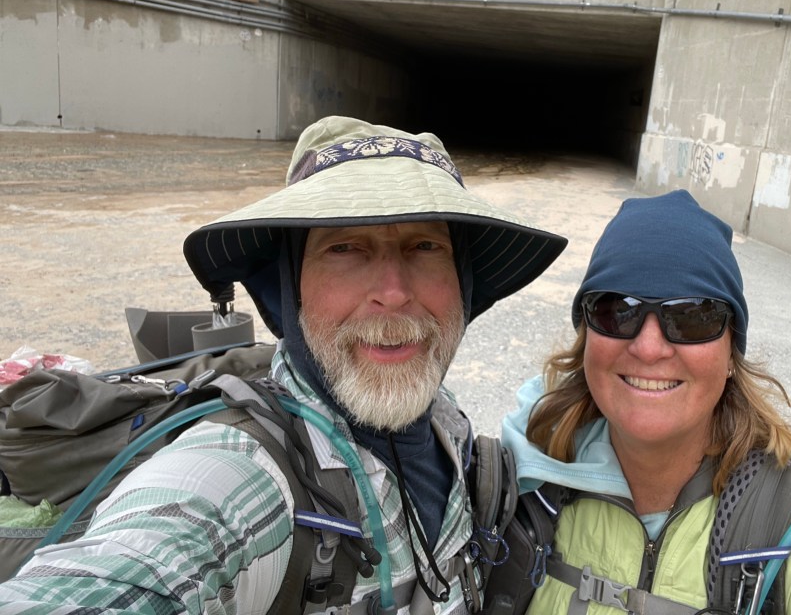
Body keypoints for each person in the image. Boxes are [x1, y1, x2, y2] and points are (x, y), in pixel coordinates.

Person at [0, 116, 567, 614]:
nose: (394, 292)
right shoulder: (239, 480)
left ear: (462, 282)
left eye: (425, 247)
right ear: (288, 287)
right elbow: (134, 567)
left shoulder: (450, 429)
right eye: (345, 248)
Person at [500, 190, 791, 614]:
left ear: (730, 356)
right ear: (587, 337)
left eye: (691, 317)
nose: (649, 348)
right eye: (617, 310)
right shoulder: (521, 494)